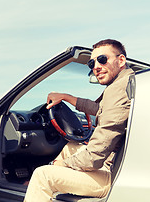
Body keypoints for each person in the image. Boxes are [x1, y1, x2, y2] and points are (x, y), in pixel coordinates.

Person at [24, 39, 134, 201]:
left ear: (121, 60)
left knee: (42, 175)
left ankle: (41, 188)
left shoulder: (119, 89)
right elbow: (100, 110)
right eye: (92, 63)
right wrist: (67, 98)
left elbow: (95, 156)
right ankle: (48, 192)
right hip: (116, 163)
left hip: (112, 175)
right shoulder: (125, 83)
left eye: (102, 59)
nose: (96, 66)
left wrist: (60, 165)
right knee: (71, 147)